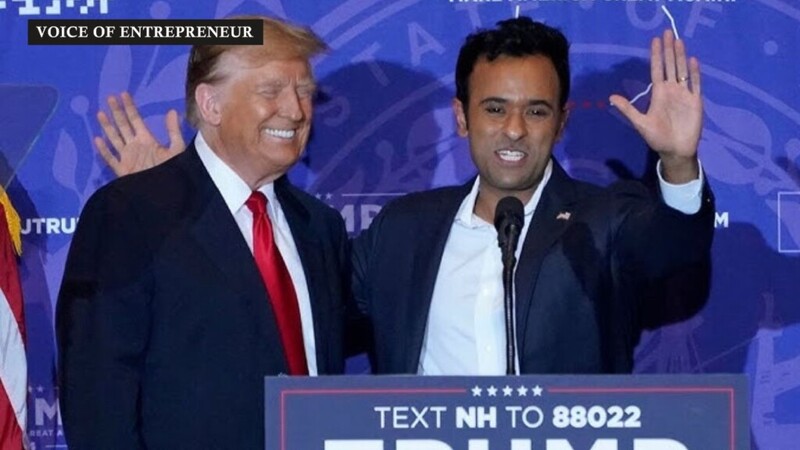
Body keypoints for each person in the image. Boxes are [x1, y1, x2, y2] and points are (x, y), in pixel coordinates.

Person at [352, 17, 714, 375]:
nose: (514, 129)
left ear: (560, 123)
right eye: (495, 109)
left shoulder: (602, 222)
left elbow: (675, 245)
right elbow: (322, 308)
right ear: (462, 117)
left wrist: (678, 163)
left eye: (536, 112)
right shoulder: (401, 229)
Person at [56, 16, 351, 449]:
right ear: (211, 104)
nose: (295, 110)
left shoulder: (320, 227)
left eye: (304, 91)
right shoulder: (130, 214)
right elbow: (98, 401)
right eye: (271, 90)